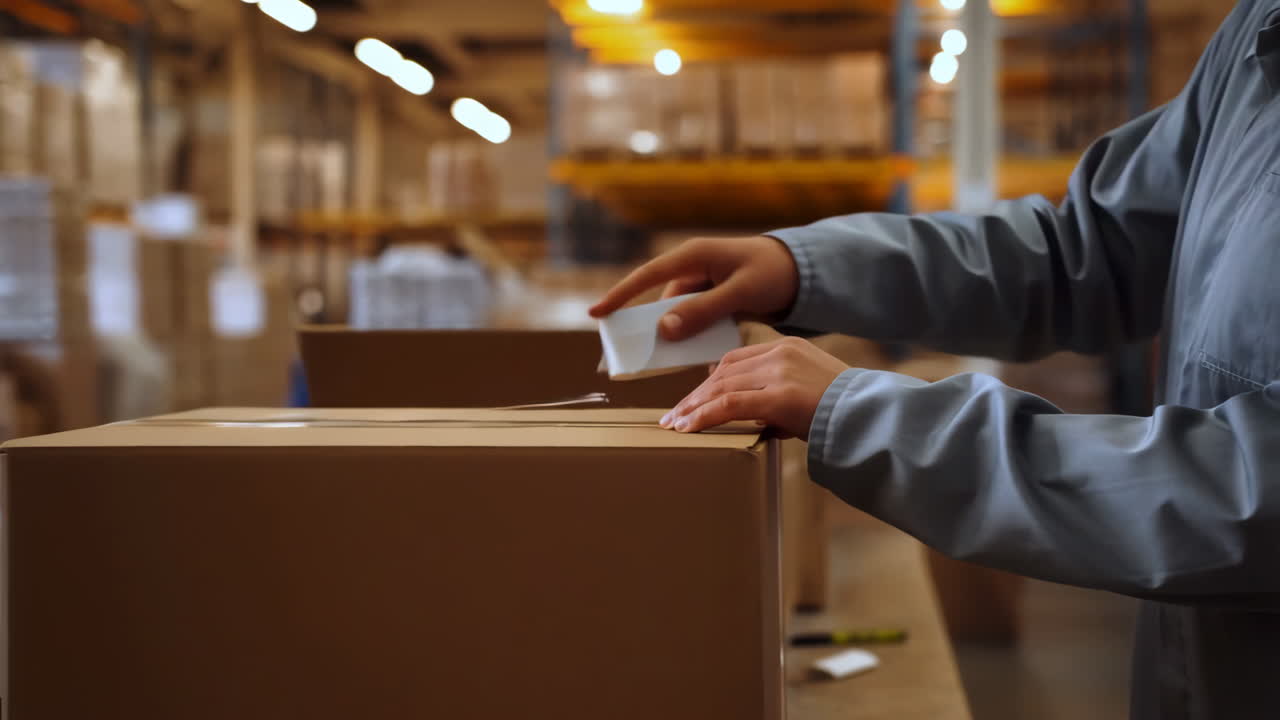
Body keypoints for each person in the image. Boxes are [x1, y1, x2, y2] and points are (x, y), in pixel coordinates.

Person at [590, 2, 1280, 717]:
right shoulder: (1259, 32)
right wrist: (806, 269)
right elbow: (1088, 248)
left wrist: (871, 416)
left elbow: (1252, 497)